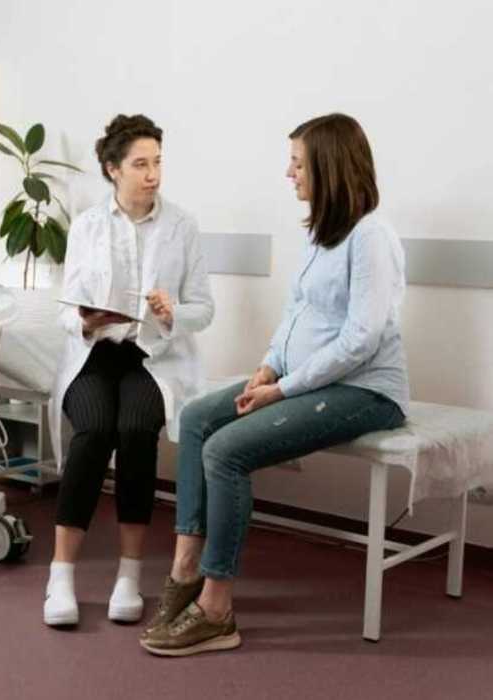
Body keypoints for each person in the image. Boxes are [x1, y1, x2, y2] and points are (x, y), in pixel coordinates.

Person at [140, 113, 410, 656]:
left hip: (366, 391)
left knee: (225, 451)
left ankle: (217, 610)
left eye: (298, 163)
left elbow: (359, 341)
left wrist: (283, 390)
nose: (289, 174)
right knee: (196, 418)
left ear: (329, 167)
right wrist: (268, 367)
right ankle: (186, 570)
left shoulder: (371, 238)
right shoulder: (320, 234)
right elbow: (295, 315)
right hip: (304, 380)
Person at [45, 114, 214, 627]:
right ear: (112, 169)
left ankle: (129, 574)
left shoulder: (182, 226)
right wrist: (85, 319)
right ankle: (61, 575)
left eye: (157, 162)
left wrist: (172, 312)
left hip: (153, 357)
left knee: (137, 430)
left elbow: (204, 308)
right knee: (95, 431)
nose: (153, 174)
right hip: (95, 354)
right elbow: (64, 308)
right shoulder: (87, 226)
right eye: (140, 164)